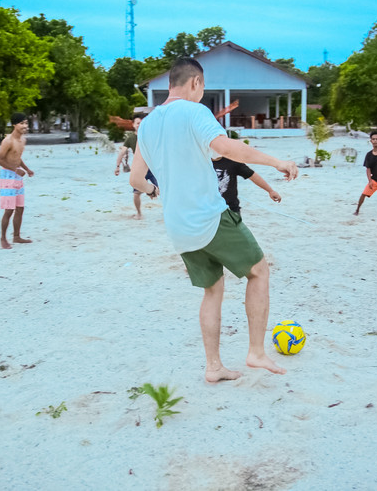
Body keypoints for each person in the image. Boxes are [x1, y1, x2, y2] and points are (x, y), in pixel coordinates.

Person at [130, 58, 298, 383]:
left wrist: (157, 191)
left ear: (169, 84)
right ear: (196, 83)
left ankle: (214, 367)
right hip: (209, 217)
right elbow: (226, 147)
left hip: (177, 227)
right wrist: (276, 162)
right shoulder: (195, 112)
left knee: (212, 289)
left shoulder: (148, 124)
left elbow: (137, 179)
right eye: (202, 87)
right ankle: (256, 352)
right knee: (259, 271)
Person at [0, 112, 35, 249]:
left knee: (20, 208)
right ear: (14, 125)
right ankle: (3, 239)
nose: (25, 126)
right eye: (22, 123)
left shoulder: (23, 140)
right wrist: (14, 169)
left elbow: (17, 157)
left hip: (17, 175)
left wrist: (27, 169)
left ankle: (16, 236)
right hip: (7, 176)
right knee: (9, 209)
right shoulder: (8, 141)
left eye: (26, 123)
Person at [114, 112, 158, 219]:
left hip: (153, 168)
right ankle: (139, 213)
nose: (140, 125)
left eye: (142, 123)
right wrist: (117, 166)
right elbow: (122, 152)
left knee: (164, 190)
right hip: (140, 170)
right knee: (136, 193)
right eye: (138, 123)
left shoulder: (152, 136)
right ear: (133, 124)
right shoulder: (131, 138)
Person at [213, 156, 281, 213]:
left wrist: (270, 191)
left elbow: (252, 175)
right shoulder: (203, 162)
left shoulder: (232, 161)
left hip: (230, 209)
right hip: (207, 210)